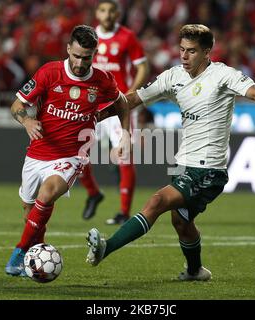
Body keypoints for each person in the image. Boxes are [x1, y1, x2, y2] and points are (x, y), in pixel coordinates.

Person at [85, 24, 255, 281]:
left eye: (192, 51)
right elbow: (131, 100)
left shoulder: (223, 75)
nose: (184, 56)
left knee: (157, 202)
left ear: (207, 52)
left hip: (209, 169)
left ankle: (105, 248)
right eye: (182, 50)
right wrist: (97, 115)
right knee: (181, 223)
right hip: (184, 164)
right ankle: (196, 271)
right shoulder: (173, 77)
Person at [5, 25, 131, 276]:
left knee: (48, 192)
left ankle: (19, 252)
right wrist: (28, 121)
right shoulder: (49, 73)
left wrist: (125, 135)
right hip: (38, 151)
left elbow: (122, 103)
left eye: (87, 57)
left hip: (72, 154)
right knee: (29, 211)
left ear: (94, 54)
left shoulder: (102, 80)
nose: (80, 63)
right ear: (68, 49)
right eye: (76, 56)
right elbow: (17, 104)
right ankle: (36, 256)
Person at [79, 0, 150, 225]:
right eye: (103, 10)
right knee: (76, 153)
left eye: (111, 11)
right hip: (93, 105)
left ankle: (123, 212)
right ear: (97, 14)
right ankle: (93, 192)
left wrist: (130, 92)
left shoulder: (127, 36)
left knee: (124, 156)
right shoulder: (89, 38)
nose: (107, 15)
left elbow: (143, 67)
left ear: (117, 14)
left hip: (119, 104)